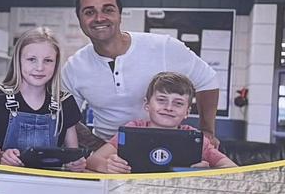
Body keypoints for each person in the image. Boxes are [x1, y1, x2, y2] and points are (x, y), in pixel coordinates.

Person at [62, 0, 219, 141]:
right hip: (107, 156)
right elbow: (68, 117)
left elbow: (207, 80)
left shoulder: (163, 47)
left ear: (119, 15)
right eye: (89, 12)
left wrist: (207, 131)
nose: (99, 18)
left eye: (108, 10)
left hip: (163, 148)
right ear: (80, 20)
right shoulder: (74, 67)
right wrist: (97, 149)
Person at [0, 28, 89, 170]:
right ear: (18, 60)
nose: (39, 67)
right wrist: (1, 156)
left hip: (48, 186)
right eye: (31, 59)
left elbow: (73, 155)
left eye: (48, 60)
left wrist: (76, 163)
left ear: (56, 64)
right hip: (1, 184)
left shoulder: (64, 102)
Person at [86, 72, 236, 172]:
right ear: (147, 105)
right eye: (161, 100)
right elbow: (93, 160)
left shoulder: (195, 138)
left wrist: (207, 171)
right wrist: (108, 166)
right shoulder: (132, 130)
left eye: (178, 103)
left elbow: (231, 168)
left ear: (187, 112)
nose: (169, 108)